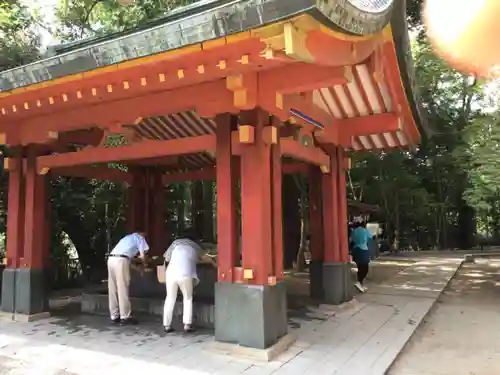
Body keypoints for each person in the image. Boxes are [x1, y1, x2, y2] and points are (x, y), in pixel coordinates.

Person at [162, 229, 216, 334]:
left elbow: (167, 259)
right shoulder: (194, 245)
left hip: (171, 273)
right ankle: (187, 325)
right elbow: (206, 258)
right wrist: (215, 265)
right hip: (185, 274)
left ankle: (167, 325)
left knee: (170, 298)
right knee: (187, 298)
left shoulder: (175, 244)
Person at [107, 230, 149, 325]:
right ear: (142, 233)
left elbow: (127, 261)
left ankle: (114, 315)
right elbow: (142, 256)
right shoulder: (140, 238)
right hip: (120, 260)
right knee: (123, 288)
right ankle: (125, 316)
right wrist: (144, 264)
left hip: (111, 259)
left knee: (112, 288)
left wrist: (139, 269)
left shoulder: (126, 238)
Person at [349, 220, 373, 293]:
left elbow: (351, 240)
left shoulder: (354, 231)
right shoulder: (365, 231)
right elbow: (370, 237)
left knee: (360, 267)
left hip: (356, 250)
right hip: (363, 249)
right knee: (365, 268)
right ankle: (359, 282)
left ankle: (361, 284)